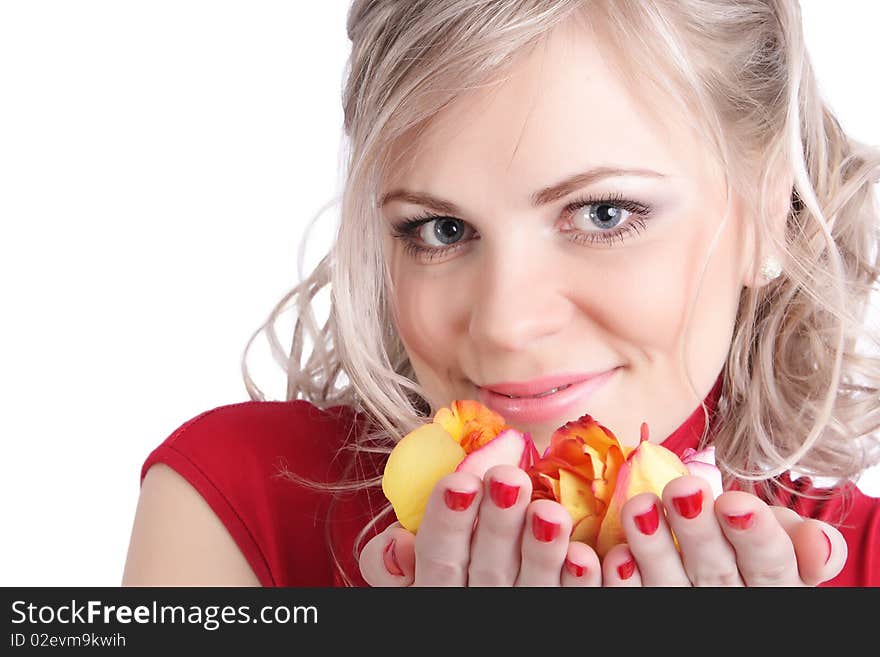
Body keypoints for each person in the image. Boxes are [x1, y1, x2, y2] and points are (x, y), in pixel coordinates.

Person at [122, 0, 880, 587]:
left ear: (771, 212)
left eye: (603, 214)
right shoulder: (235, 503)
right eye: (441, 230)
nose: (506, 325)